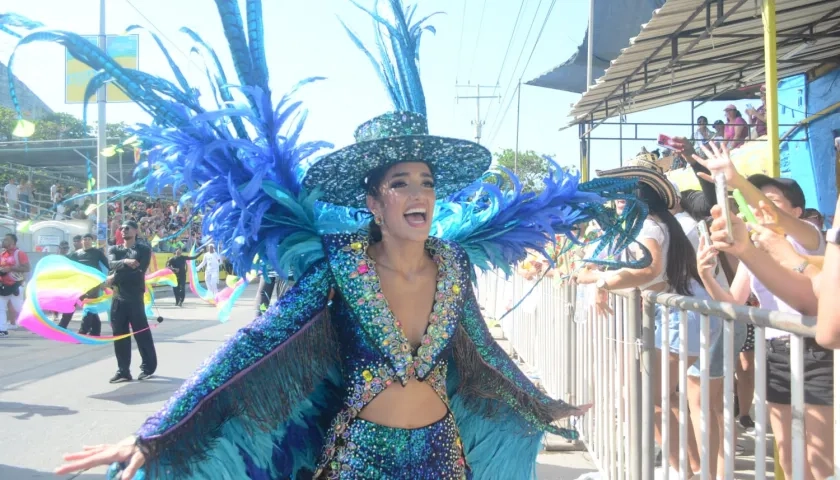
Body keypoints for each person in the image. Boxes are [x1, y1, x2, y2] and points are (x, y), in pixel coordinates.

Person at [49, 1, 648, 478]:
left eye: (427, 182)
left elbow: (482, 351)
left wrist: (541, 405)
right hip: (361, 457)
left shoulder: (454, 265)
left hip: (442, 455)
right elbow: (250, 349)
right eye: (401, 182)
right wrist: (157, 432)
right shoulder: (342, 266)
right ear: (373, 202)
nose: (419, 193)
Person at [574, 153, 721, 479]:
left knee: (641, 401)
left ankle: (692, 469)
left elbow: (650, 269)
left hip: (680, 320)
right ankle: (690, 469)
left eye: (623, 195)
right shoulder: (652, 225)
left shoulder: (651, 226)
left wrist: (602, 281)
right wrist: (603, 280)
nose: (617, 203)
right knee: (647, 400)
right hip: (675, 319)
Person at [695, 142, 831, 480]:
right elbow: (735, 306)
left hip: (817, 352)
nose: (762, 208)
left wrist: (738, 181)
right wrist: (707, 276)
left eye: (773, 202)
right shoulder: (754, 250)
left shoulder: (808, 238)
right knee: (787, 453)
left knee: (820, 460)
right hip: (775, 352)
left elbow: (778, 219)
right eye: (758, 202)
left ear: (797, 211)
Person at [106, 220, 157, 384]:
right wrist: (126, 262)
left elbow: (139, 271)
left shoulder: (143, 249)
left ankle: (148, 367)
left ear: (136, 231)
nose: (123, 231)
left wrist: (113, 277)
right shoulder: (115, 249)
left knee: (141, 333)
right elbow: (110, 263)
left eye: (127, 228)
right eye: (121, 228)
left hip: (135, 297)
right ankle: (123, 370)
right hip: (118, 298)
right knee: (119, 335)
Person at [60, 234, 110, 336]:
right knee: (72, 303)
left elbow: (108, 266)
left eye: (88, 239)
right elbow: (66, 264)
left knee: (89, 305)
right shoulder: (76, 254)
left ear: (92, 241)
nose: (86, 241)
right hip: (80, 283)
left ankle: (83, 330)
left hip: (93, 283)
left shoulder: (97, 253)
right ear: (81, 242)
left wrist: (106, 280)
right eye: (84, 239)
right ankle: (94, 330)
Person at [0, 233, 29, 337]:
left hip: (16, 285)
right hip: (4, 286)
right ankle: (2, 330)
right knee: (1, 307)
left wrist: (10, 268)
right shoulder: (2, 254)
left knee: (19, 308)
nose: (3, 242)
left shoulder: (19, 253)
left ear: (12, 242)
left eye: (6, 240)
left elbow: (27, 268)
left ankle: (35, 322)